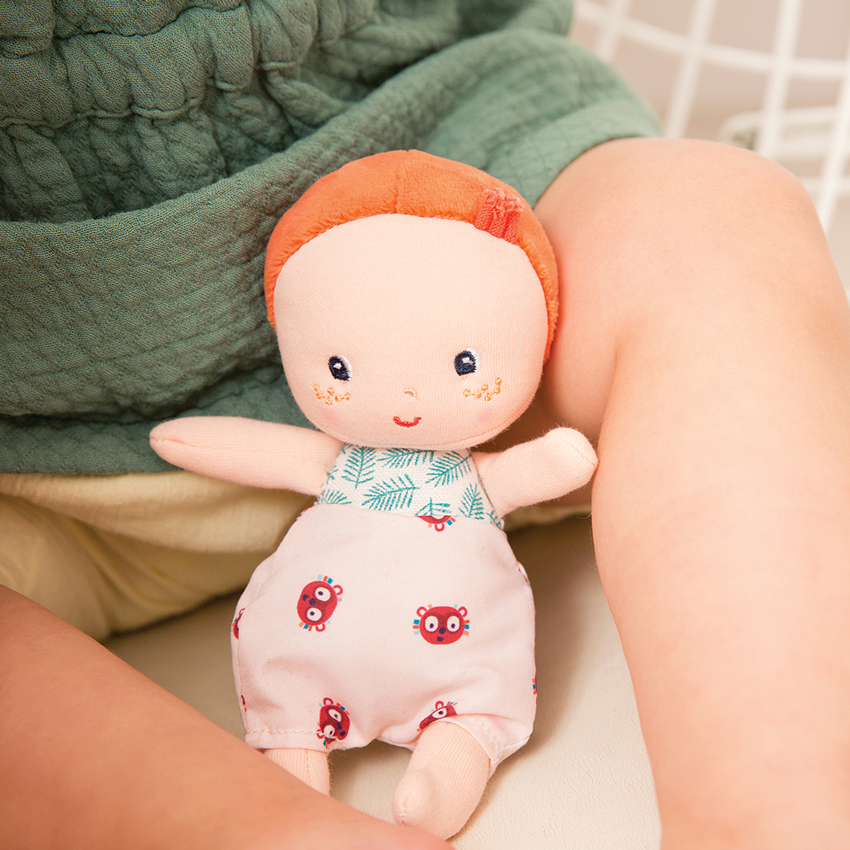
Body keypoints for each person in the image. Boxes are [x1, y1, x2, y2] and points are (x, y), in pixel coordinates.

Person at [2, 3, 850, 849]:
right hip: (39, 454)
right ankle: (276, 828)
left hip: (458, 180)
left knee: (713, 219)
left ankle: (771, 818)